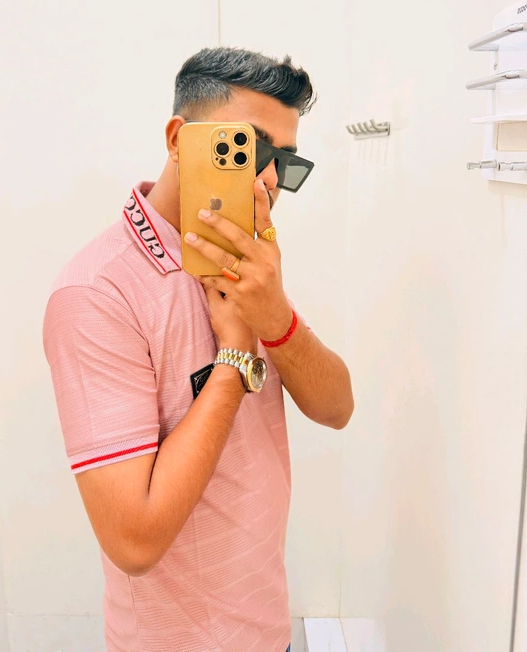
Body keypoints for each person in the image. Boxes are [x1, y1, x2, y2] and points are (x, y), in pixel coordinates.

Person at [42, 47, 354, 652]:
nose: (269, 180)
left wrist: (275, 315)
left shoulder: (245, 266)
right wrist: (234, 359)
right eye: (249, 149)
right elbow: (134, 541)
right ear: (179, 140)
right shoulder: (97, 292)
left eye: (284, 162)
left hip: (269, 630)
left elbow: (337, 407)